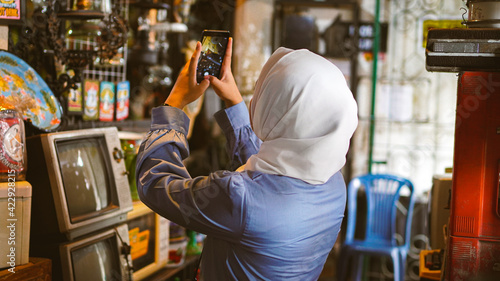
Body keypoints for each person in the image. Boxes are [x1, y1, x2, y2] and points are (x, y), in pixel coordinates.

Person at [136, 37, 358, 280]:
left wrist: (175, 102)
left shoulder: (238, 197)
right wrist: (233, 100)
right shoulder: (334, 185)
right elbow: (268, 181)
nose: (256, 100)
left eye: (268, 95)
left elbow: (156, 185)